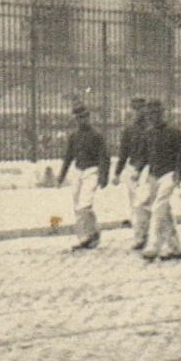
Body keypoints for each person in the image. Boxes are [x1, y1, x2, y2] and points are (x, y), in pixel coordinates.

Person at [140, 100, 181, 261]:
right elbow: (144, 155)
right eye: (150, 114)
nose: (153, 117)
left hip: (169, 174)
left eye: (156, 114)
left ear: (162, 114)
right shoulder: (148, 133)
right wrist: (138, 171)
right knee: (164, 211)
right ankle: (175, 248)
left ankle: (153, 245)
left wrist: (179, 173)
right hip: (154, 175)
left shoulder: (174, 133)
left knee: (158, 207)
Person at [59, 102, 109, 251]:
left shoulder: (97, 135)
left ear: (89, 117)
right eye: (79, 118)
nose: (82, 120)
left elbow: (104, 157)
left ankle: (88, 236)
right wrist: (62, 175)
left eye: (85, 117)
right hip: (78, 171)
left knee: (85, 204)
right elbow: (68, 157)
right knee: (77, 205)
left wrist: (103, 176)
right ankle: (87, 235)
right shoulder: (73, 136)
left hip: (91, 171)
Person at [114, 97, 153, 251]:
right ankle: (142, 233)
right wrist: (117, 172)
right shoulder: (128, 130)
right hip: (132, 168)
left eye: (142, 109)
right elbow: (123, 153)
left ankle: (142, 236)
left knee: (142, 203)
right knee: (135, 204)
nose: (139, 112)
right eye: (136, 109)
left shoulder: (151, 128)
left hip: (148, 168)